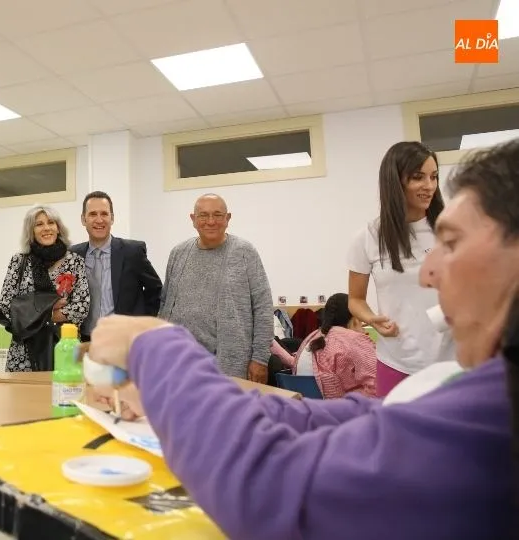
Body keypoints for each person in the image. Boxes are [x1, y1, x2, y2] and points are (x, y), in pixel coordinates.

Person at [86, 140, 519, 539]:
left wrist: (156, 348)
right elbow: (342, 418)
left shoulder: (498, 411)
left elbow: (270, 486)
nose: (427, 272)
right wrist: (178, 394)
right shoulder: (473, 387)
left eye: (453, 242)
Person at [347, 141, 455, 396]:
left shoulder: (450, 229)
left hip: (450, 360)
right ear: (395, 181)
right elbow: (355, 299)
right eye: (418, 177)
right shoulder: (367, 238)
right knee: (399, 435)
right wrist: (371, 318)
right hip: (396, 361)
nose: (429, 186)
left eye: (434, 177)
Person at [158, 193, 274, 382]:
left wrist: (260, 359)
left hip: (229, 365)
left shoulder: (245, 253)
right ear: (193, 220)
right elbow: (165, 305)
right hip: (179, 363)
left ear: (228, 219)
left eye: (218, 215)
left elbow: (263, 308)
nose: (210, 221)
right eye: (203, 215)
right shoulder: (178, 253)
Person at [0, 205, 89, 371]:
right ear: (31, 231)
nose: (46, 228)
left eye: (51, 223)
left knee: (65, 395)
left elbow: (81, 307)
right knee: (23, 397)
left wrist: (34, 312)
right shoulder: (19, 261)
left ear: (58, 228)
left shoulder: (75, 261)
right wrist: (51, 309)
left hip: (64, 345)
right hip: (24, 350)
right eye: (39, 224)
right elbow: (7, 305)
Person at [70, 191, 162, 341]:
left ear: (112, 218)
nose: (99, 220)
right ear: (83, 219)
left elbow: (156, 289)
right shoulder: (73, 255)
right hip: (84, 340)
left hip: (125, 340)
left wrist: (142, 324)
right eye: (93, 214)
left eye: (104, 214)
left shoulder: (132, 252)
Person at [288, 293, 377, 398]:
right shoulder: (354, 340)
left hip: (309, 406)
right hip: (343, 410)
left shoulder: (312, 337)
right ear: (355, 317)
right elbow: (378, 385)